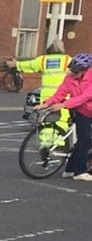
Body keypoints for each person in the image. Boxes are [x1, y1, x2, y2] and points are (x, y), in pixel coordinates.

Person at [40, 52, 92, 181]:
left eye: (76, 71)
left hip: (85, 107)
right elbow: (60, 93)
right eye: (71, 71)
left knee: (84, 141)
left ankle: (69, 169)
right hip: (81, 111)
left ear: (85, 70)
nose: (72, 74)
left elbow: (86, 96)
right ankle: (79, 172)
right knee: (84, 140)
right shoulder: (69, 78)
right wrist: (47, 103)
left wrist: (64, 105)